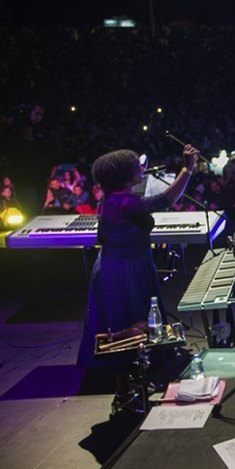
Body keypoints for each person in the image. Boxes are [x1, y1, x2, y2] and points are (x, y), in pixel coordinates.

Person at [77, 144, 199, 413]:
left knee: (136, 323)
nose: (141, 168)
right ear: (123, 174)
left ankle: (133, 384)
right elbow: (163, 201)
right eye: (136, 166)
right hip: (121, 271)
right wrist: (187, 168)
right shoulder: (120, 201)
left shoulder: (118, 197)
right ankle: (123, 395)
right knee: (124, 325)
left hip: (129, 265)